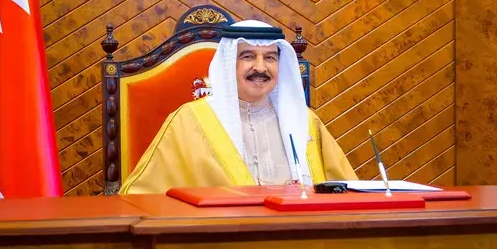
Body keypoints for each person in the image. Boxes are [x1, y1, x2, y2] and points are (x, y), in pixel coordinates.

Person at [120, 20, 357, 194]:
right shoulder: (189, 121)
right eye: (248, 56)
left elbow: (347, 191)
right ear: (228, 64)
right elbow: (143, 198)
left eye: (270, 58)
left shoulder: (304, 121)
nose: (260, 67)